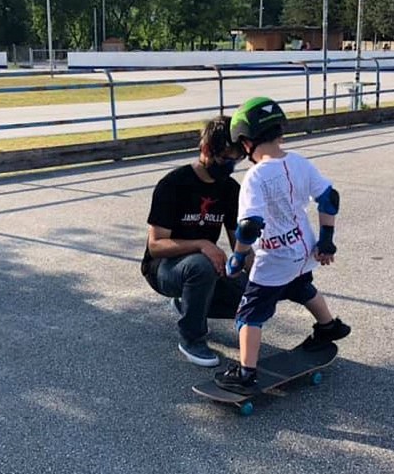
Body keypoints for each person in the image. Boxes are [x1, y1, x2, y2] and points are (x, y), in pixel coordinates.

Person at [215, 96, 351, 394]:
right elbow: (330, 197)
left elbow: (249, 226)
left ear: (246, 141)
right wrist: (327, 240)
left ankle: (246, 372)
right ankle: (329, 326)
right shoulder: (300, 162)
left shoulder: (256, 176)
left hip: (275, 256)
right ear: (279, 131)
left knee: (249, 313)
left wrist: (237, 258)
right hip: (305, 248)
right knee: (300, 286)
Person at [141, 116, 250, 367]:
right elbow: (156, 245)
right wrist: (202, 243)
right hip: (163, 268)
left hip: (204, 266)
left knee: (252, 291)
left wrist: (264, 277)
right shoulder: (173, 184)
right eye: (224, 159)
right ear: (205, 150)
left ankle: (188, 303)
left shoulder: (230, 189)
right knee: (200, 265)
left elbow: (239, 244)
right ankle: (192, 338)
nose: (230, 166)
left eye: (236, 159)